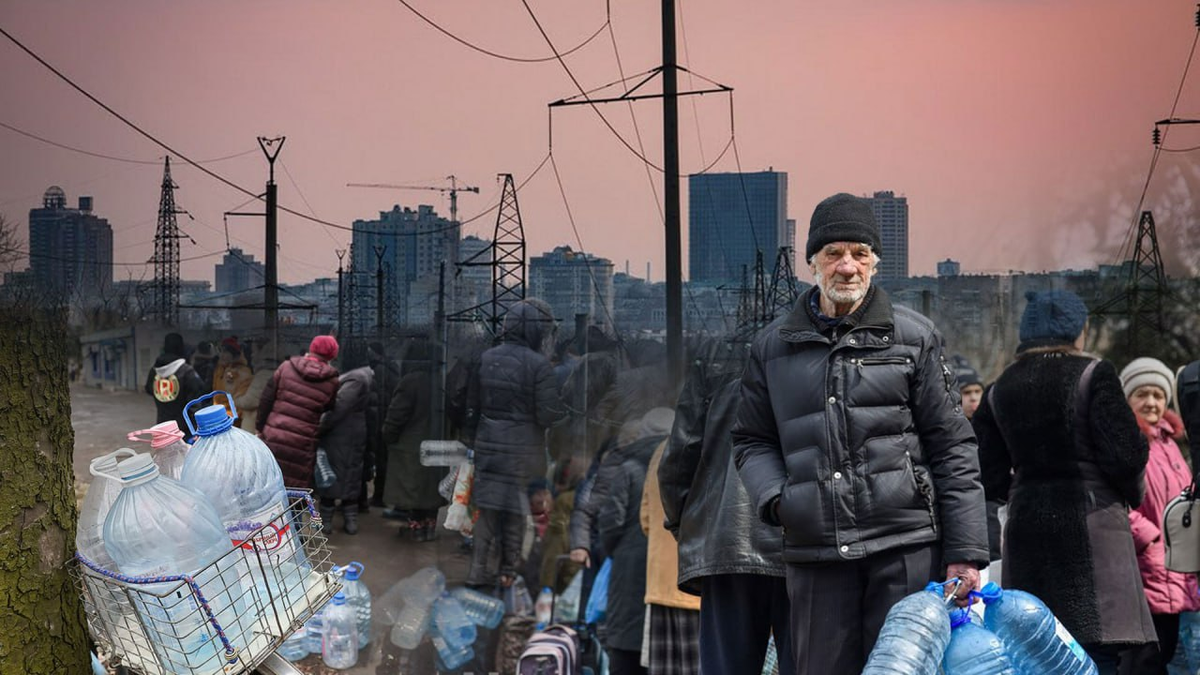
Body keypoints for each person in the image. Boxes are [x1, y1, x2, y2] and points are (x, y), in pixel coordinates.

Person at [733, 192, 989, 674]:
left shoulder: (914, 338)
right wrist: (779, 500)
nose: (847, 266)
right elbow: (751, 440)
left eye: (859, 253)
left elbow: (954, 446)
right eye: (833, 253)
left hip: (904, 545)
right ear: (813, 262)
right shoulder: (771, 347)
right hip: (816, 551)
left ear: (875, 262)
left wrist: (966, 554)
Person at [974, 290, 1154, 673]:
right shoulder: (1094, 374)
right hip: (1093, 533)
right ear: (1078, 331)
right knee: (1097, 654)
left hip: (1026, 535)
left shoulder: (998, 389)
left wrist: (1025, 492)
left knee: (1038, 652)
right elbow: (1126, 455)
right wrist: (1128, 494)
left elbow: (986, 473)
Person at [659, 338, 793, 675]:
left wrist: (685, 525)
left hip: (726, 539)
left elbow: (679, 458)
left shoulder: (714, 366)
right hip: (801, 538)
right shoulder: (811, 360)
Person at [466, 299, 567, 588]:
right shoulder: (539, 366)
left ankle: (476, 572)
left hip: (488, 447)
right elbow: (547, 415)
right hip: (524, 454)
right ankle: (508, 572)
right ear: (537, 331)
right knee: (515, 511)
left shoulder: (485, 358)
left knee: (487, 511)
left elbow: (471, 406)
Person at [1118, 358, 1198, 675]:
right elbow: (1115, 499)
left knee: (1168, 654)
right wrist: (1148, 538)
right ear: (1127, 399)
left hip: (1177, 563)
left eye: (1158, 395)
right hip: (1145, 564)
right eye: (1143, 394)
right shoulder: (1127, 441)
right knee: (1144, 658)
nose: (1152, 402)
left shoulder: (1169, 443)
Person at [597, 409, 675, 675]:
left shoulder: (627, 468)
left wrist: (617, 552)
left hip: (629, 571)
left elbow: (610, 524)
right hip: (672, 577)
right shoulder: (683, 463)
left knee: (626, 652)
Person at [641, 435, 700, 675]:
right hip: (698, 587)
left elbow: (645, 519)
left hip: (659, 586)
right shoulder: (714, 443)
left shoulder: (660, 450)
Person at [381, 339, 445, 541]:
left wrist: (387, 436)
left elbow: (396, 416)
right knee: (431, 492)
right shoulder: (439, 380)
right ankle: (429, 529)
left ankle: (416, 529)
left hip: (411, 446)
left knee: (414, 492)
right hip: (436, 444)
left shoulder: (410, 381)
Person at [257, 335, 340, 489]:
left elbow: (266, 399)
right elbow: (329, 408)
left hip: (274, 436)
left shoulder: (286, 367)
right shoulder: (332, 381)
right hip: (303, 444)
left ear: (311, 348)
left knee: (268, 486)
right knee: (296, 491)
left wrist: (260, 428)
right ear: (332, 355)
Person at [316, 362, 374, 535]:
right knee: (350, 477)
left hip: (339, 435)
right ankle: (350, 522)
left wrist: (320, 427)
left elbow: (339, 406)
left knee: (330, 477)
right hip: (354, 434)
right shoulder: (363, 378)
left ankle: (326, 522)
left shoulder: (355, 380)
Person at [144, 332, 206, 441]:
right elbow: (195, 403)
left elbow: (149, 389)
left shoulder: (154, 371)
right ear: (181, 348)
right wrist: (198, 429)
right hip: (184, 430)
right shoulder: (187, 371)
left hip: (162, 427)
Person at [367, 341, 402, 510]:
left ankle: (379, 496)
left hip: (380, 420)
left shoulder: (379, 371)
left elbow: (377, 398)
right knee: (385, 460)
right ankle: (384, 495)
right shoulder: (392, 369)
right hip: (387, 419)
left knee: (381, 461)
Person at [212, 337, 253, 426]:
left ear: (235, 355)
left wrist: (228, 418)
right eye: (221, 351)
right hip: (218, 419)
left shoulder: (243, 373)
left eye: (226, 352)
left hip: (232, 422)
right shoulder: (220, 369)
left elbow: (240, 402)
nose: (222, 355)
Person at [237, 352, 279, 433]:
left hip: (253, 423)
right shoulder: (276, 373)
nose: (252, 355)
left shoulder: (263, 375)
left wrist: (235, 398)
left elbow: (249, 402)